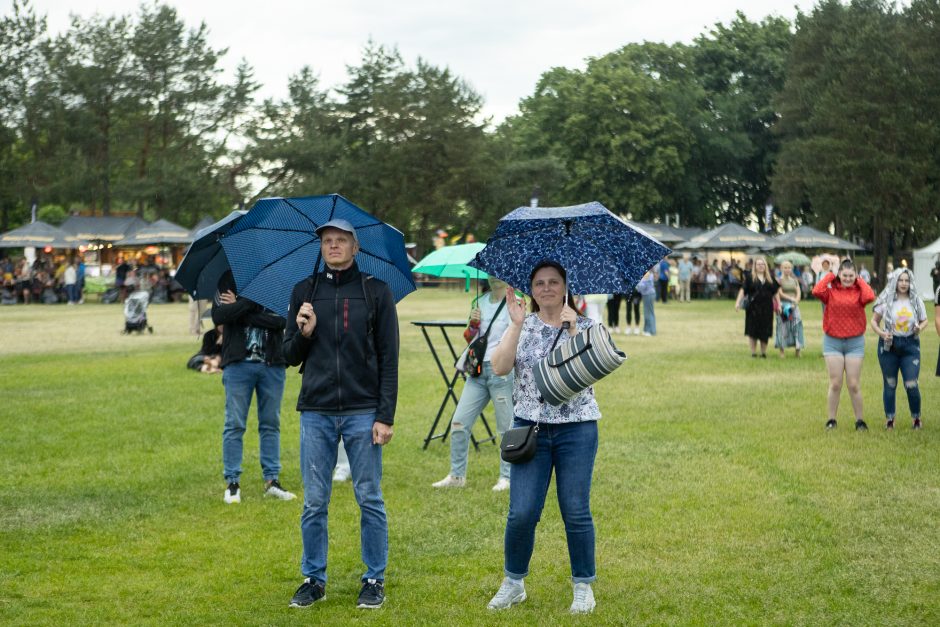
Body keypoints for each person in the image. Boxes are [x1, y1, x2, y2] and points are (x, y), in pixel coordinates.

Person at [283, 219, 399, 610]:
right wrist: (304, 332)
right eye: (327, 241)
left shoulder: (375, 291)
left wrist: (385, 415)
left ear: (355, 247)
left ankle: (373, 577)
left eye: (341, 241)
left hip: (363, 410)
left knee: (369, 497)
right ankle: (314, 578)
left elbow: (389, 358)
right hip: (315, 410)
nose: (333, 246)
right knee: (315, 500)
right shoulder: (304, 292)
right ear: (321, 248)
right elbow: (287, 356)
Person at [486, 260, 600, 614]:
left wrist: (572, 333)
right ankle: (513, 582)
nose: (546, 288)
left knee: (575, 510)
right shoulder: (524, 325)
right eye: (539, 283)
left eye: (554, 282)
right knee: (522, 512)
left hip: (577, 429)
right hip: (530, 429)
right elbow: (500, 367)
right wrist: (516, 325)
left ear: (566, 287)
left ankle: (583, 587)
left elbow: (590, 373)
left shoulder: (586, 326)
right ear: (531, 290)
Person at [211, 271, 294, 504]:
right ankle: (233, 483)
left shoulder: (278, 281)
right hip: (237, 365)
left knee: (270, 424)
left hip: (272, 364)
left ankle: (272, 480)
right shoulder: (228, 278)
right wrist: (253, 302)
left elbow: (282, 321)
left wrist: (240, 307)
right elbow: (218, 315)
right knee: (234, 424)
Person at [433, 278, 514, 491]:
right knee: (459, 422)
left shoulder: (516, 301)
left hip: (502, 371)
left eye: (497, 271)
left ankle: (507, 477)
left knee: (506, 428)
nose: (493, 275)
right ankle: (456, 476)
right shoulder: (478, 302)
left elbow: (519, 337)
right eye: (489, 271)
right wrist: (473, 324)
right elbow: (469, 336)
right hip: (477, 371)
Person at [812, 259, 875, 430]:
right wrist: (830, 275)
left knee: (853, 383)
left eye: (851, 275)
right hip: (833, 341)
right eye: (844, 275)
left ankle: (859, 421)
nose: (847, 278)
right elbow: (816, 291)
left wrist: (860, 280)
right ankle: (831, 420)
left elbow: (870, 296)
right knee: (835, 383)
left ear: (855, 275)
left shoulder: (859, 290)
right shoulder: (831, 290)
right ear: (839, 274)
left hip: (855, 342)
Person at [870, 268, 928, 430]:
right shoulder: (886, 300)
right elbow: (873, 322)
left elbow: (925, 321)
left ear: (910, 282)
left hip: (910, 346)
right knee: (890, 383)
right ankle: (890, 419)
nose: (903, 283)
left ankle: (916, 418)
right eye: (901, 280)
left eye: (907, 280)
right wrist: (882, 334)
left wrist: (919, 328)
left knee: (911, 384)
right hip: (889, 347)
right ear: (895, 281)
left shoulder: (916, 301)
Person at [735, 257, 779, 358]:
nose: (760, 266)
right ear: (755, 266)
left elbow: (776, 293)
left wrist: (779, 305)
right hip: (753, 309)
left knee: (765, 331)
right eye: (758, 264)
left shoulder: (770, 278)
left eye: (762, 264)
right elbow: (743, 291)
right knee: (752, 331)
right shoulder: (750, 278)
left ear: (766, 266)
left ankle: (763, 353)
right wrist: (738, 302)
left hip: (767, 308)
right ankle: (753, 353)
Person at [774, 261, 805, 358]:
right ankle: (782, 351)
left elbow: (798, 292)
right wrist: (791, 299)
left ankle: (798, 350)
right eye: (785, 267)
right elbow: (780, 293)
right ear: (781, 268)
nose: (787, 269)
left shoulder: (794, 280)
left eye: (789, 268)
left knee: (797, 326)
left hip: (794, 306)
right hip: (783, 306)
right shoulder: (778, 280)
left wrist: (796, 301)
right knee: (783, 327)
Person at [638, 270, 657, 336]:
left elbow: (642, 286)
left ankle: (651, 331)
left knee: (648, 313)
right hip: (647, 294)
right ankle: (646, 329)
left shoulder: (647, 274)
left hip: (648, 294)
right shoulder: (647, 273)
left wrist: (638, 285)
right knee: (647, 312)